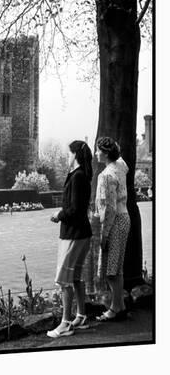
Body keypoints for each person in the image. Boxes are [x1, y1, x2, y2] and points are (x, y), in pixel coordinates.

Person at [47, 140, 93, 338]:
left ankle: (65, 324)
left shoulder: (77, 177)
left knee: (63, 280)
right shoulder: (80, 175)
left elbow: (74, 210)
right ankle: (81, 316)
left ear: (75, 155)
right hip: (82, 233)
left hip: (73, 234)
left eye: (68, 154)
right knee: (75, 277)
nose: (67, 157)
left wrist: (59, 215)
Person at [92, 137, 131, 321]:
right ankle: (120, 305)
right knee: (117, 266)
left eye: (98, 150)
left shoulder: (106, 175)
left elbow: (109, 208)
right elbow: (121, 157)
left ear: (106, 153)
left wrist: (104, 234)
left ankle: (115, 309)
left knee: (110, 268)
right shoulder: (121, 165)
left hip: (114, 222)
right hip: (124, 219)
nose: (96, 153)